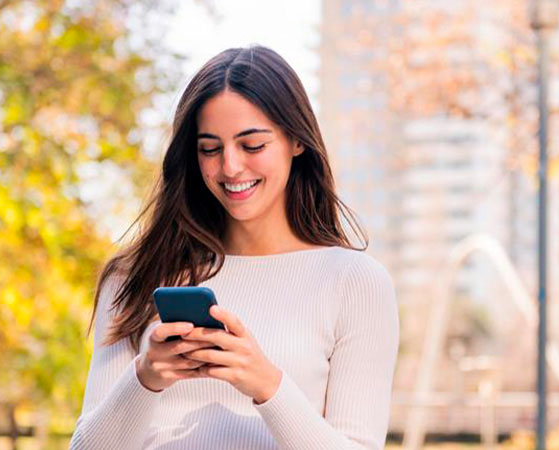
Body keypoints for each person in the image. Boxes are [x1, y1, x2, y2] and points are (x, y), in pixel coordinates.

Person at [69, 45, 399, 450]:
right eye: (210, 148)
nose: (230, 167)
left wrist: (266, 385)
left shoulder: (355, 283)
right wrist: (146, 376)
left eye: (252, 145)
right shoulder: (134, 276)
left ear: (297, 141)